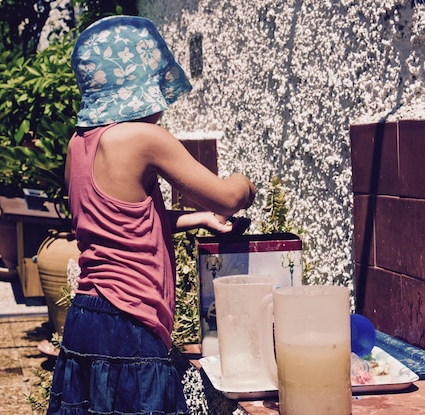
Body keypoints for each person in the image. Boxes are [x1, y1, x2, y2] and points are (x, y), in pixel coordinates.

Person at [47, 15, 256, 415]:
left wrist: (199, 220)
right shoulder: (142, 138)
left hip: (86, 317)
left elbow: (121, 226)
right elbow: (226, 198)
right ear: (141, 86)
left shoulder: (78, 145)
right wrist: (245, 185)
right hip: (129, 322)